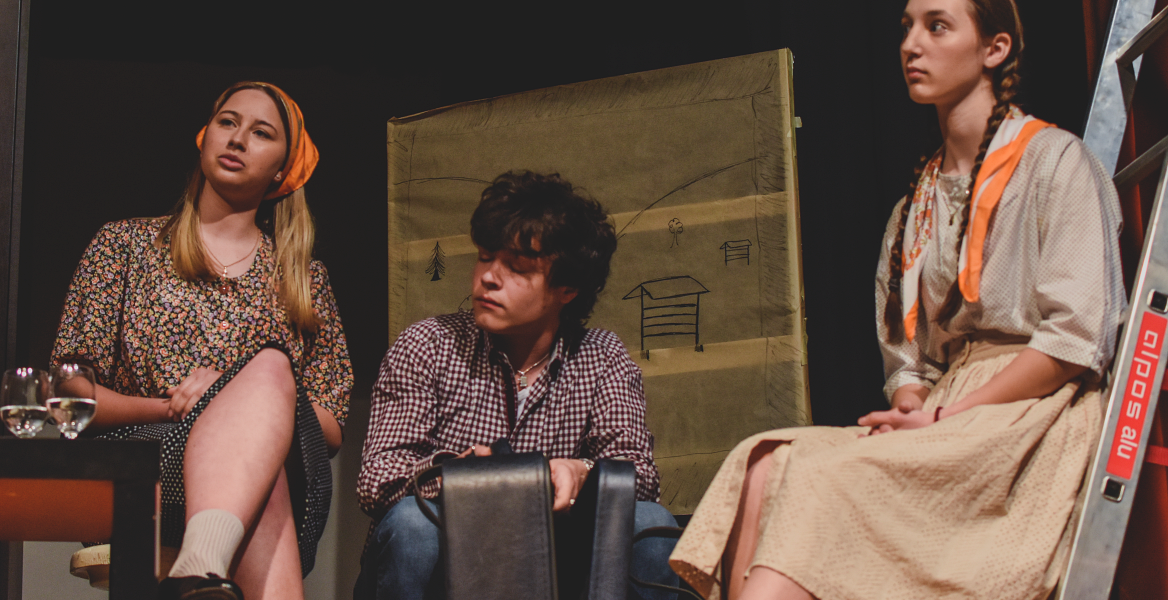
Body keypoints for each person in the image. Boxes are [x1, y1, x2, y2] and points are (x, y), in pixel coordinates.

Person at [668, 0, 1125, 599]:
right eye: (907, 27)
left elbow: (1075, 339)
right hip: (945, 410)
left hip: (1029, 415)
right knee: (761, 461)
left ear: (995, 49)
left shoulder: (1055, 162)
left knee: (815, 481)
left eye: (937, 26)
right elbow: (909, 362)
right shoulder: (915, 205)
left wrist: (946, 417)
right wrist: (912, 407)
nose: (911, 44)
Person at [51, 81, 353, 600]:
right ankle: (203, 567)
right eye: (227, 122)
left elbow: (328, 425)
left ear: (283, 169)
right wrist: (173, 407)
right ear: (205, 136)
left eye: (262, 133)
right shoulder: (124, 245)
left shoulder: (303, 279)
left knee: (269, 373)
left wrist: (241, 394)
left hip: (279, 466)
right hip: (146, 466)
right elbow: (69, 394)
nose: (237, 139)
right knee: (266, 473)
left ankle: (199, 567)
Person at [354, 170, 680, 600]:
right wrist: (463, 474)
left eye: (517, 267)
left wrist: (581, 472)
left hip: (557, 556)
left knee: (650, 525)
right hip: (454, 546)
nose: (488, 277)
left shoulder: (602, 356)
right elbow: (377, 479)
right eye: (485, 257)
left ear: (567, 288)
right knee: (411, 524)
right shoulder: (428, 344)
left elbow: (640, 474)